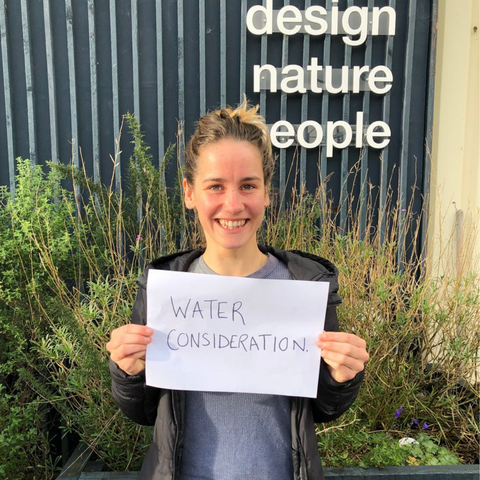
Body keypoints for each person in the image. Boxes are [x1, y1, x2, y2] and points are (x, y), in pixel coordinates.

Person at [106, 98, 369, 480]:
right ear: (189, 193)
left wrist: (344, 376)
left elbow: (324, 409)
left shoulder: (304, 286)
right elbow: (145, 413)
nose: (233, 204)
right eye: (215, 186)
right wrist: (127, 372)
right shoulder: (166, 291)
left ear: (266, 193)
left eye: (248, 185)